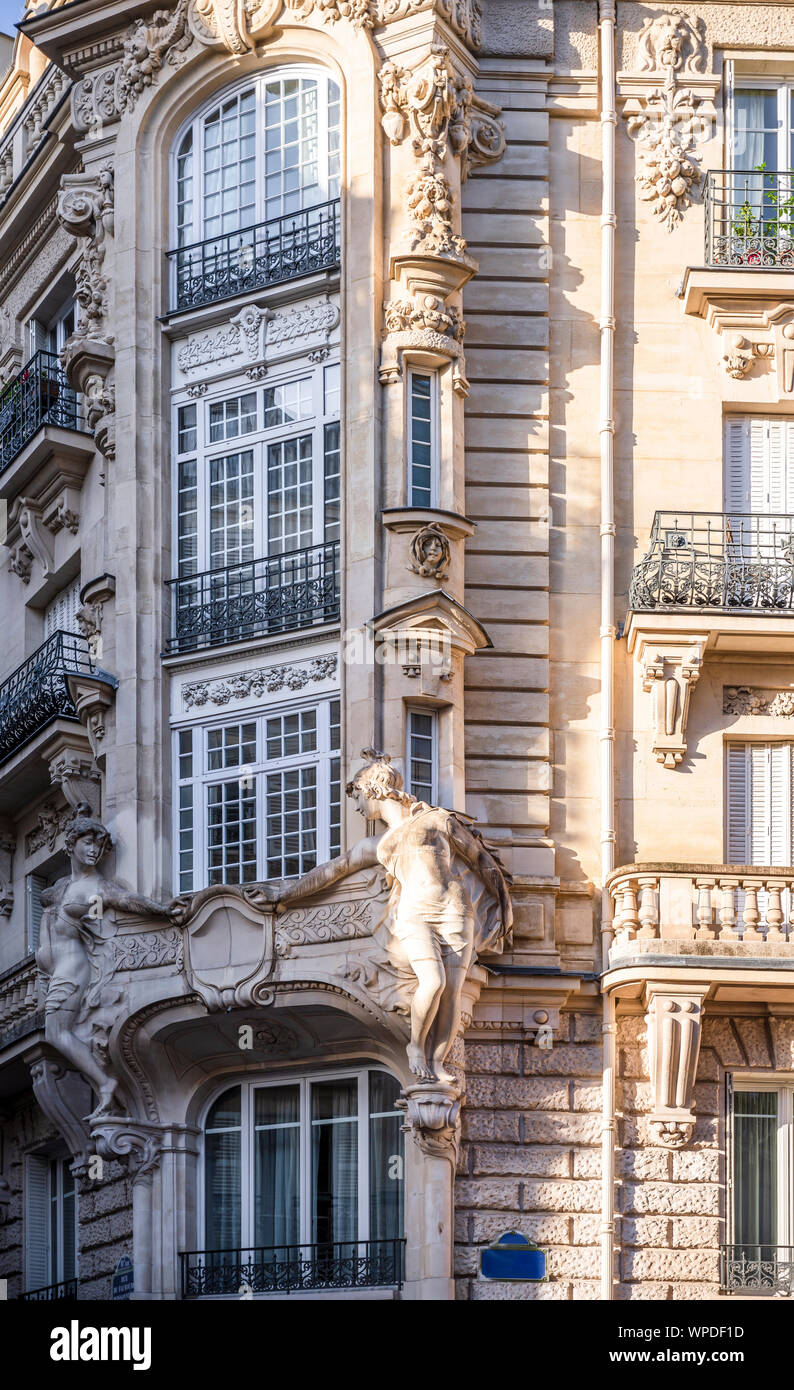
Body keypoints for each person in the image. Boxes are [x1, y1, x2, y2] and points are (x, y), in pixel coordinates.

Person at [274, 751, 512, 1084]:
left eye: (358, 797)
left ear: (371, 789)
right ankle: (417, 1047)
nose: (358, 807)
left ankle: (438, 1062)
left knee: (453, 994)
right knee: (434, 982)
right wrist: (283, 894)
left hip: (456, 910)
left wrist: (502, 905)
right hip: (414, 911)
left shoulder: (436, 819)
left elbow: (481, 861)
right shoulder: (376, 844)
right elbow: (332, 870)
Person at [36, 803, 184, 1120]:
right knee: (57, 1034)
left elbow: (128, 899)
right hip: (57, 972)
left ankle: (105, 1082)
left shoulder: (96, 887)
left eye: (100, 846)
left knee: (55, 1034)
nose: (95, 851)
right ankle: (104, 1082)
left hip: (73, 969)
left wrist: (160, 909)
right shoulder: (63, 886)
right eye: (88, 843)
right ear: (71, 845)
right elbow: (45, 897)